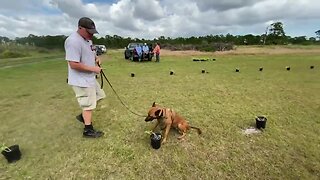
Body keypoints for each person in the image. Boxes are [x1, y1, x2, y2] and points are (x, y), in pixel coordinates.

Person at [64, 17, 106, 138]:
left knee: (99, 95)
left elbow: (91, 53)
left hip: (90, 78)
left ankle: (83, 116)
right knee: (88, 105)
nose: (91, 35)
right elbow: (73, 64)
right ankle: (88, 130)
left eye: (92, 32)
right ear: (80, 28)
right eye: (89, 32)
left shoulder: (88, 40)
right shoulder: (73, 41)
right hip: (81, 80)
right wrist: (94, 69)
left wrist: (96, 58)